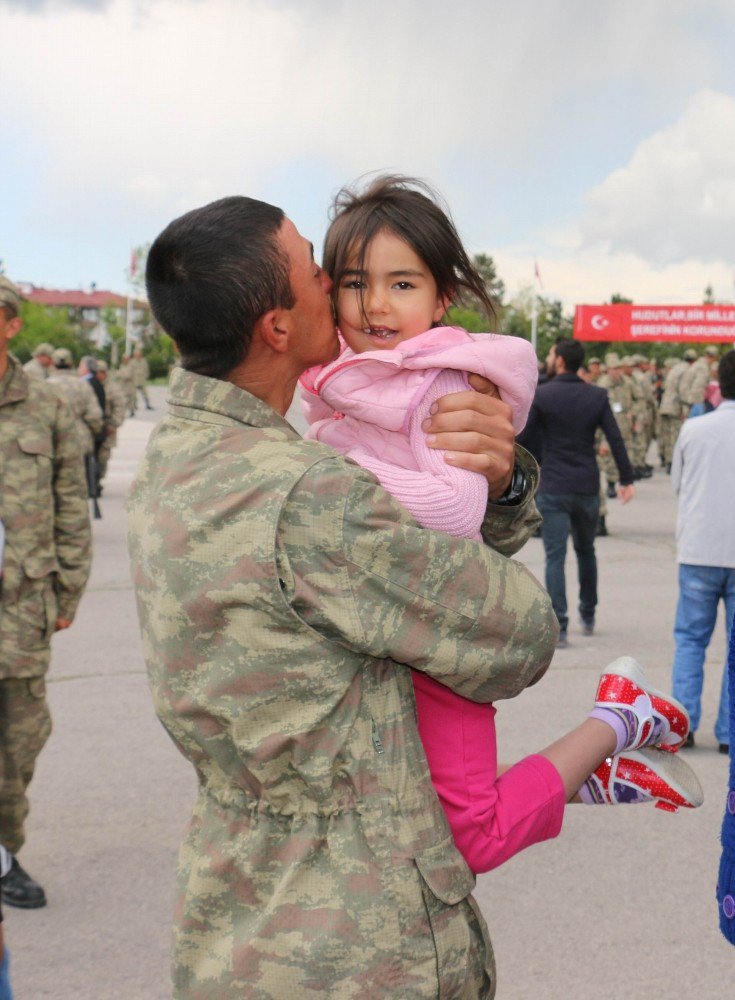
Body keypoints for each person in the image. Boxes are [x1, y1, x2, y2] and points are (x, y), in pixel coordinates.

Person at [300, 175, 700, 873]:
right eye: (355, 283)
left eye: (402, 284)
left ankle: (617, 721)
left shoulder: (444, 380)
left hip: (438, 634)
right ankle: (592, 775)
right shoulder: (347, 377)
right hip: (381, 633)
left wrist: (325, 472)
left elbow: (456, 508)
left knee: (468, 834)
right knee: (407, 800)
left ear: (441, 295)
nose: (374, 306)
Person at [0, 276, 92, 910]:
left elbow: (70, 504)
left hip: (19, 601)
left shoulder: (47, 406)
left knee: (18, 738)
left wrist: (68, 590)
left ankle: (3, 853)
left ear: (9, 325)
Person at [522, 338, 635, 647]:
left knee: (554, 556)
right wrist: (626, 478)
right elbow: (615, 437)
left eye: (550, 354)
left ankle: (560, 624)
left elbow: (527, 440)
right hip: (586, 486)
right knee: (587, 551)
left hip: (554, 486)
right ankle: (589, 613)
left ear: (559, 362)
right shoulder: (597, 396)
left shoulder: (542, 395)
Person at [671, 349, 735, 753]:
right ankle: (729, 733)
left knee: (691, 639)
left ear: (717, 384)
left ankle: (683, 725)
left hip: (699, 548)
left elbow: (680, 483)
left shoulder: (694, 429)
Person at [46, 348, 104, 458]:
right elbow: (95, 416)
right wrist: (93, 432)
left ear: (52, 363)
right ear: (71, 363)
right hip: (80, 440)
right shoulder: (82, 385)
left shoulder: (45, 385)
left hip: (52, 442)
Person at [94, 360, 127, 487]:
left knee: (103, 456)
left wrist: (114, 424)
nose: (98, 375)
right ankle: (91, 479)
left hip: (107, 425)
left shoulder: (112, 388)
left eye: (101, 372)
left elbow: (120, 407)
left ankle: (98, 479)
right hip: (93, 426)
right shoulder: (89, 385)